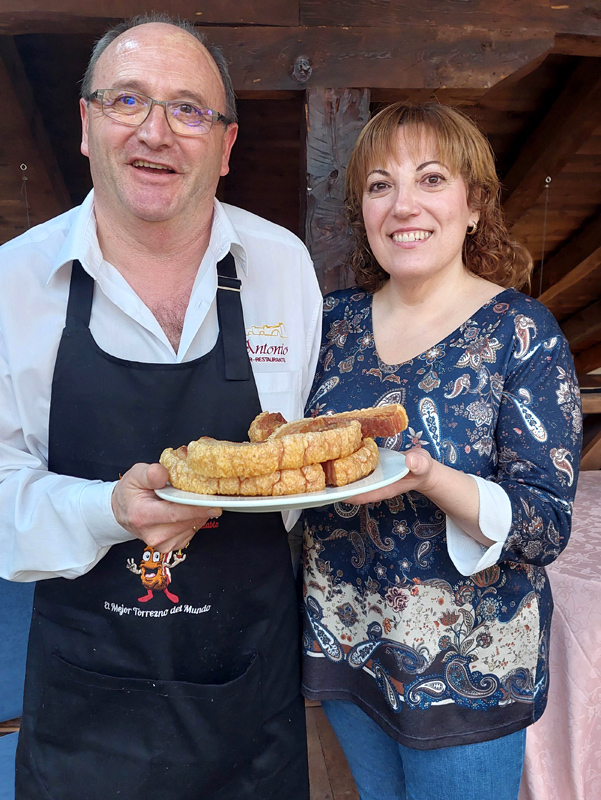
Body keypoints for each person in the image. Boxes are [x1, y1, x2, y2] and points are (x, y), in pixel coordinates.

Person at [0, 13, 322, 800]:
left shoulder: (281, 265)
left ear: (226, 143)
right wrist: (110, 507)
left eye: (188, 109)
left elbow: (299, 456)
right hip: (87, 708)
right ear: (85, 124)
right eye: (127, 100)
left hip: (249, 698)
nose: (156, 131)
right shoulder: (14, 282)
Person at [301, 102, 582, 800]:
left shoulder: (521, 332)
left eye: (430, 179)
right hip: (345, 641)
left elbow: (543, 525)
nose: (403, 205)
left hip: (471, 669)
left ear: (473, 205)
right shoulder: (329, 323)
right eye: (378, 185)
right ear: (362, 212)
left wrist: (427, 477)